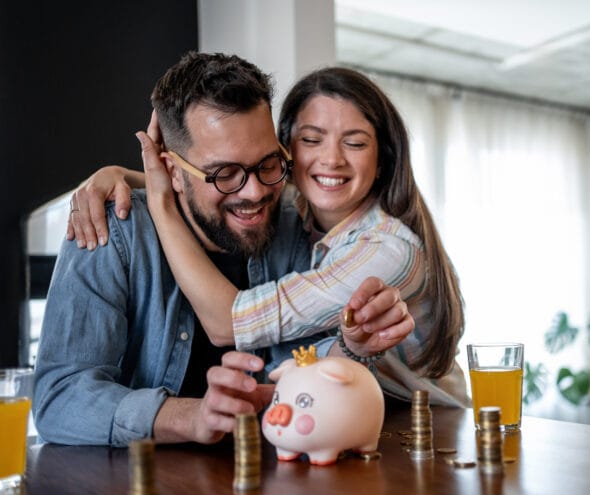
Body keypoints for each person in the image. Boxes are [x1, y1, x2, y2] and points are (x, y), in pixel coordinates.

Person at [33, 52, 415, 448]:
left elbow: (306, 362)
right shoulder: (113, 229)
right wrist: (190, 416)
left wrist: (350, 346)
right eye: (224, 174)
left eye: (268, 164)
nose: (255, 193)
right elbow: (60, 398)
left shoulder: (293, 220)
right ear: (173, 172)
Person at [70, 65, 471, 407]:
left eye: (354, 143)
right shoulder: (297, 206)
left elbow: (231, 323)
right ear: (286, 150)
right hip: (352, 424)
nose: (331, 159)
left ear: (383, 158)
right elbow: (219, 184)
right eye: (312, 140)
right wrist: (121, 175)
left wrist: (160, 203)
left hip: (429, 432)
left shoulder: (386, 250)